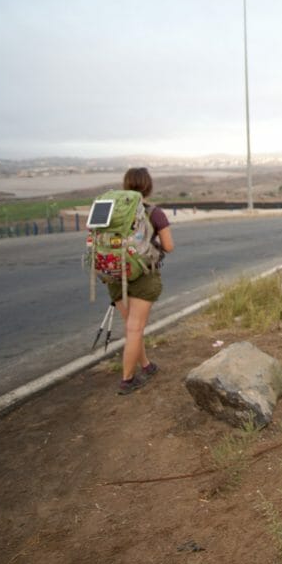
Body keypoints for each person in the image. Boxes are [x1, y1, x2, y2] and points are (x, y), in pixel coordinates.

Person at [110, 167, 174, 395]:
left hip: (114, 274)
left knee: (131, 327)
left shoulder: (111, 211)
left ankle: (146, 365)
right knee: (135, 328)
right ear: (148, 186)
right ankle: (127, 380)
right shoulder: (154, 213)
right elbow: (169, 246)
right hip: (143, 276)